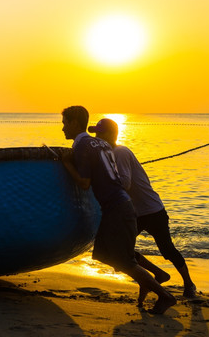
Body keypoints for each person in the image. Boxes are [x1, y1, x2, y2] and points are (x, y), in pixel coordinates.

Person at [59, 106, 176, 314]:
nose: (62, 128)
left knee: (123, 260)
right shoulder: (102, 143)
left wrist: (67, 163)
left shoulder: (82, 146)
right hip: (119, 207)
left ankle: (165, 295)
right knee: (103, 255)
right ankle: (152, 275)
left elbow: (84, 183)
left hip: (117, 209)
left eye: (65, 123)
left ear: (76, 123)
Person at [88, 118, 197, 304]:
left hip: (152, 210)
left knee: (167, 250)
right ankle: (157, 274)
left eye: (100, 133)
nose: (97, 137)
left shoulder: (120, 152)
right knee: (123, 251)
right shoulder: (110, 155)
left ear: (109, 135)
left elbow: (125, 183)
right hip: (134, 213)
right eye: (95, 133)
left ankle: (189, 284)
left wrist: (104, 179)